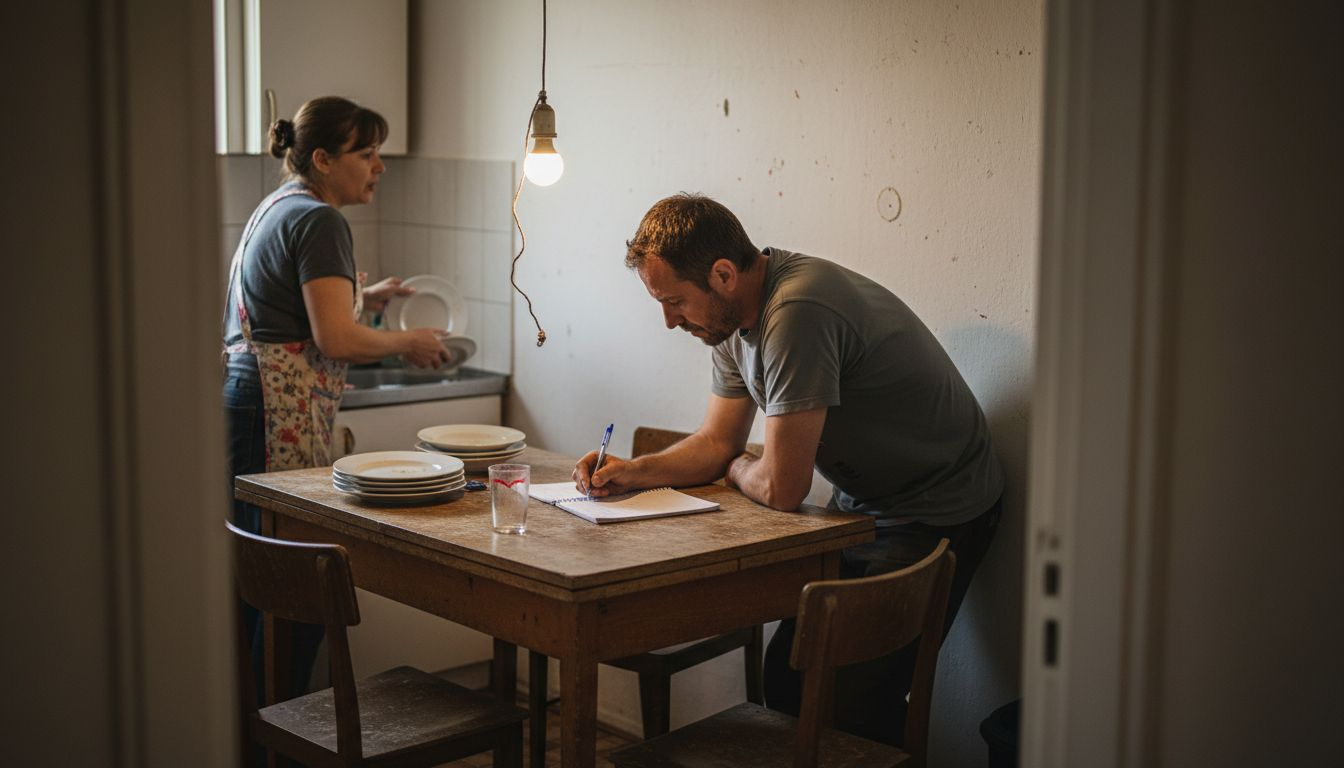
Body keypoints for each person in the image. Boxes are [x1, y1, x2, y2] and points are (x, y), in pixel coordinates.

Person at [572, 193, 1004, 746]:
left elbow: (781, 487)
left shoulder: (797, 312)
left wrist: (736, 467)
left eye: (675, 301)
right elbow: (716, 441)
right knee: (789, 679)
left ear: (723, 274)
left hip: (939, 509)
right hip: (862, 509)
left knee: (849, 704)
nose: (669, 320)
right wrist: (632, 471)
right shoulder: (728, 323)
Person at [222, 96, 449, 701]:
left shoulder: (278, 205)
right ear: (323, 159)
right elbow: (336, 339)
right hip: (274, 412)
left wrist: (364, 299)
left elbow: (287, 310)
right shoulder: (321, 220)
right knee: (293, 589)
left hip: (249, 404)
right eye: (366, 154)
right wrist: (408, 342)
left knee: (256, 584)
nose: (379, 166)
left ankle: (252, 732)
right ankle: (280, 732)